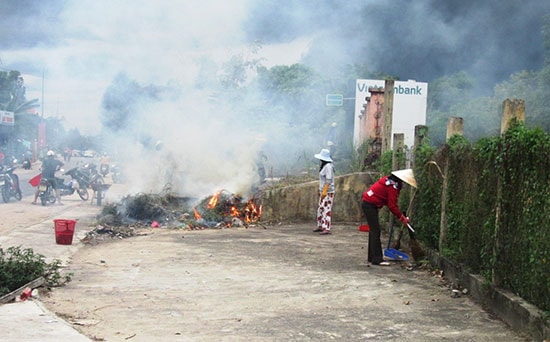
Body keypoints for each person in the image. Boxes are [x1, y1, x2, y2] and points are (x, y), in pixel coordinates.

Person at [361, 169, 417, 266]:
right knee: (375, 231)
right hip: (370, 205)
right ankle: (377, 259)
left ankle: (372, 257)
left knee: (373, 231)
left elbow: (388, 201)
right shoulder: (393, 187)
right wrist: (402, 218)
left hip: (368, 203)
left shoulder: (387, 181)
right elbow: (392, 205)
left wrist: (400, 215)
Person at [313, 148, 335, 235]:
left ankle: (326, 227)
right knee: (321, 208)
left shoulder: (328, 167)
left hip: (328, 192)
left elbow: (328, 180)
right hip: (323, 191)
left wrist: (325, 191)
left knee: (326, 209)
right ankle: (321, 225)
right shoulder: (325, 166)